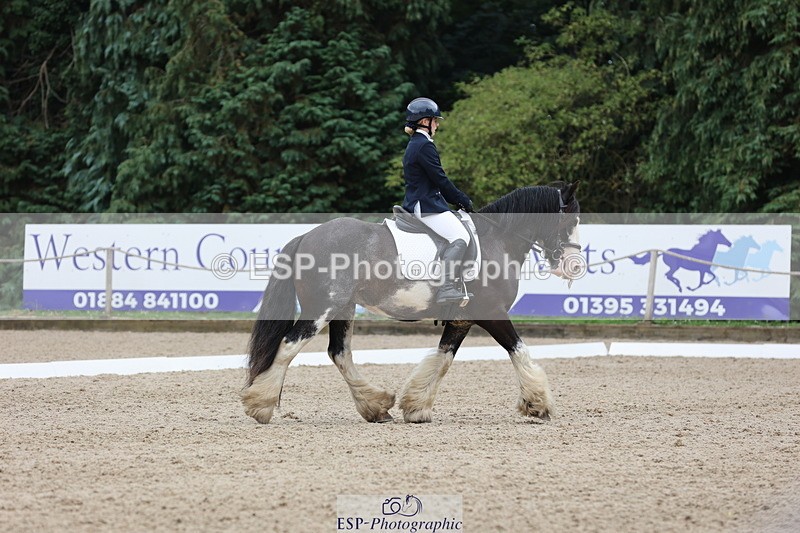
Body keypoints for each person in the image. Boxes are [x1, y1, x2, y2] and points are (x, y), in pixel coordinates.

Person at [401, 97, 474, 304]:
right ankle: (447, 287)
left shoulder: (416, 144)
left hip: (422, 202)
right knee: (460, 236)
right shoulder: (424, 146)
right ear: (425, 122)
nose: (438, 124)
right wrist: (461, 200)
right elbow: (440, 179)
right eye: (435, 120)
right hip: (426, 206)